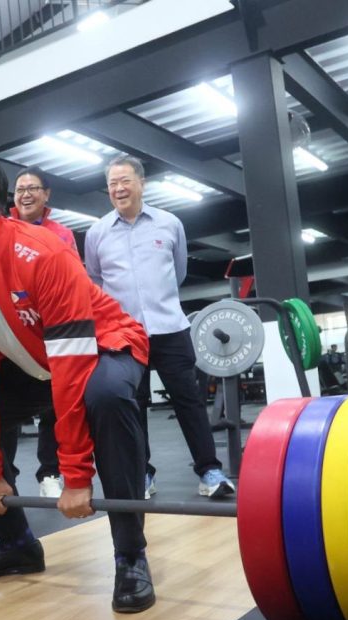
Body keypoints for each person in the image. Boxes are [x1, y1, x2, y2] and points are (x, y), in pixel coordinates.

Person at [0, 147, 155, 613]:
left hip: (106, 345)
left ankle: (131, 555)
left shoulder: (44, 254)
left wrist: (74, 476)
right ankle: (16, 544)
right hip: (36, 361)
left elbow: (72, 373)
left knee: (105, 398)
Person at [84, 155, 235, 500]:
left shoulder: (169, 224)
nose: (119, 189)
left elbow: (178, 271)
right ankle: (142, 475)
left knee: (189, 401)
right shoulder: (96, 233)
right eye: (112, 183)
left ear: (141, 183)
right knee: (132, 407)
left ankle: (209, 471)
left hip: (169, 326)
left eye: (125, 181)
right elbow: (95, 280)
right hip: (123, 334)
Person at [9, 166, 78, 499]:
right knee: (1, 406)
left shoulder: (62, 234)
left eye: (32, 188)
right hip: (12, 333)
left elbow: (72, 280)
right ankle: (2, 478)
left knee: (54, 406)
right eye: (20, 188)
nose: (25, 194)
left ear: (46, 194)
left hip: (52, 332)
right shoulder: (2, 229)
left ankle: (50, 472)